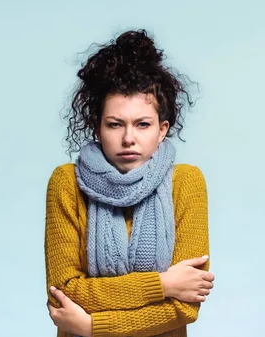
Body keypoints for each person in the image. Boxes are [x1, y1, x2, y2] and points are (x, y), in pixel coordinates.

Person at [44, 29, 213, 337]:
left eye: (143, 124)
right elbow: (65, 293)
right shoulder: (67, 183)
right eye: (114, 124)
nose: (128, 139)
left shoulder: (186, 183)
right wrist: (163, 284)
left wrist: (92, 326)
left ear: (162, 130)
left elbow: (184, 307)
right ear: (97, 127)